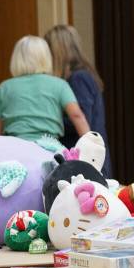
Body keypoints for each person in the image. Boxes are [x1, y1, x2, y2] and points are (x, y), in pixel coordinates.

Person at [0, 35, 90, 153]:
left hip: (15, 149)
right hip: (49, 149)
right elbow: (77, 116)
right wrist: (90, 147)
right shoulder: (60, 85)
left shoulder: (4, 88)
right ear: (46, 58)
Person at [44, 25, 111, 177]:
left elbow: (81, 120)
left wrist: (49, 121)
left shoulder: (78, 78)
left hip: (88, 160)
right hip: (92, 158)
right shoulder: (84, 74)